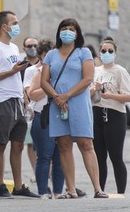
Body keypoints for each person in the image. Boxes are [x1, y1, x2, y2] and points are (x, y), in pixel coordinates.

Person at [40, 18, 108, 199]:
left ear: (77, 33)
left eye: (71, 29)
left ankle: (97, 188)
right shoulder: (51, 55)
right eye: (64, 28)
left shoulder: (83, 52)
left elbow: (87, 79)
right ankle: (70, 189)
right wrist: (57, 97)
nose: (67, 32)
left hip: (77, 103)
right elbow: (44, 81)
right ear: (59, 32)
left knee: (86, 144)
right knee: (63, 146)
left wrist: (67, 96)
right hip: (57, 105)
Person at [0, 10, 39, 198]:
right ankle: (1, 185)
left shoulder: (12, 47)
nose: (17, 26)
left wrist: (25, 100)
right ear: (4, 26)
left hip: (17, 100)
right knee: (1, 143)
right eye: (14, 22)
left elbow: (16, 76)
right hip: (2, 100)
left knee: (18, 143)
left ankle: (18, 186)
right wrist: (12, 71)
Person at [91, 36, 130, 194]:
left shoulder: (120, 71)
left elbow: (128, 96)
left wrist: (111, 96)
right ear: (99, 53)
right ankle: (99, 190)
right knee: (99, 157)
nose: (106, 53)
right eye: (103, 51)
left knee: (116, 156)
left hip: (115, 115)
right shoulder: (94, 71)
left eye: (110, 51)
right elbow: (87, 94)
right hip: (97, 112)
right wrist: (94, 90)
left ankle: (121, 193)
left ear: (115, 53)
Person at [28, 38, 65, 199]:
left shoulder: (63, 72)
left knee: (60, 156)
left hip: (60, 116)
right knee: (44, 156)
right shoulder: (40, 72)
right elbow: (32, 94)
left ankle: (58, 191)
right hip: (42, 116)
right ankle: (43, 191)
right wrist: (48, 87)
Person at [21, 37, 39, 184]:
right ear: (24, 48)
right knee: (30, 142)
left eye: (35, 45)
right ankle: (35, 172)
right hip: (26, 109)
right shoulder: (22, 66)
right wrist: (27, 104)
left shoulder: (43, 65)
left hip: (42, 106)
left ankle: (46, 170)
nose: (32, 48)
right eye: (29, 46)